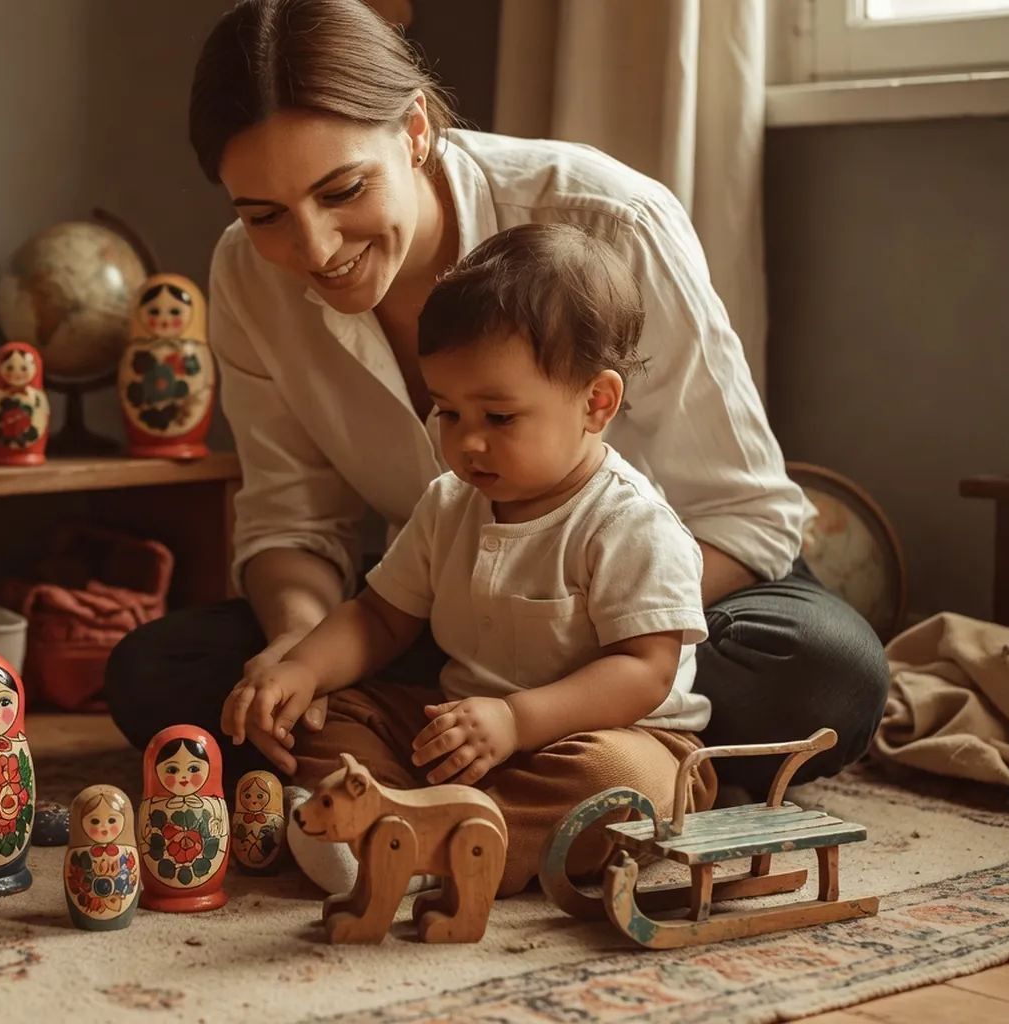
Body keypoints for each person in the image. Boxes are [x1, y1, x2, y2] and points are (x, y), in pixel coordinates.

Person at [104, 0, 889, 807]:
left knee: (828, 671)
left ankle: (479, 765)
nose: (313, 248)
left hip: (662, 614)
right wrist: (299, 654)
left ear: (413, 131)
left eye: (342, 189)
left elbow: (749, 520)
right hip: (439, 617)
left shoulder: (611, 219)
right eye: (264, 214)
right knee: (157, 674)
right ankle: (524, 771)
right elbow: (294, 524)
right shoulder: (246, 275)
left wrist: (568, 645)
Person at [221, 222, 717, 895]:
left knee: (625, 788)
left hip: (608, 735)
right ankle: (382, 816)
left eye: (499, 418)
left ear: (596, 403)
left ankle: (428, 849)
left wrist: (519, 720)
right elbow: (378, 619)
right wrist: (301, 669)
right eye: (448, 413)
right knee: (329, 713)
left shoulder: (629, 524)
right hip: (463, 728)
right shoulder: (449, 503)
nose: (467, 443)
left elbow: (644, 671)